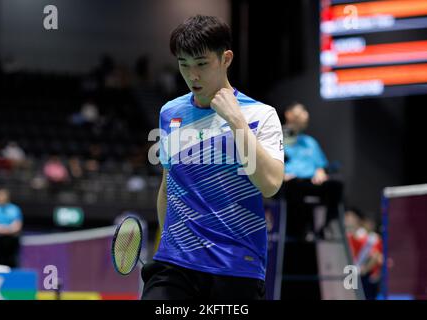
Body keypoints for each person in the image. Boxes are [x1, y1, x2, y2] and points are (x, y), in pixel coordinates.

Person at [141, 15, 284, 300]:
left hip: (236, 266)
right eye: (184, 64)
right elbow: (169, 185)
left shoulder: (260, 115)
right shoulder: (171, 113)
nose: (192, 75)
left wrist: (236, 122)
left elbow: (270, 184)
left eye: (202, 64)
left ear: (226, 58)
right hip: (175, 265)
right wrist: (165, 246)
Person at [280, 102, 343, 240]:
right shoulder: (280, 137)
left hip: (310, 182)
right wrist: (281, 174)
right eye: (301, 111)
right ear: (288, 114)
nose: (305, 115)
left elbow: (320, 165)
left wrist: (320, 171)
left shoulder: (309, 141)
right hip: (290, 183)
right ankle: (300, 231)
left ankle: (325, 226)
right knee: (294, 188)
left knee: (336, 185)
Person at [344, 207, 383, 300]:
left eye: (351, 217)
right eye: (346, 217)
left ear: (359, 220)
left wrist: (365, 269)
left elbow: (376, 256)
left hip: (363, 277)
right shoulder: (346, 236)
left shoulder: (371, 238)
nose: (348, 220)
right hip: (348, 273)